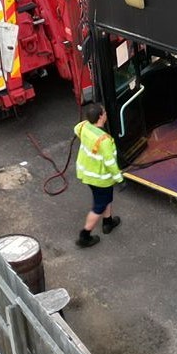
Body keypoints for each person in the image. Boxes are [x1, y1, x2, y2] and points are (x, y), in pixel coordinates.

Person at [73, 103, 123, 247]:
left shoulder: (83, 126)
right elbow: (110, 163)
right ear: (101, 117)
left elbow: (76, 130)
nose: (106, 113)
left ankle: (108, 223)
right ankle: (84, 236)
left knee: (105, 198)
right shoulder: (104, 140)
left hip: (86, 173)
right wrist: (120, 179)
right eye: (105, 112)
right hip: (100, 178)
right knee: (99, 206)